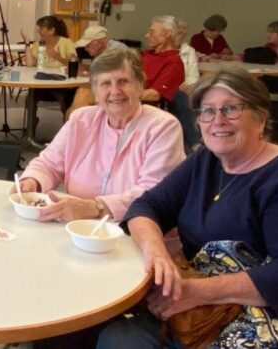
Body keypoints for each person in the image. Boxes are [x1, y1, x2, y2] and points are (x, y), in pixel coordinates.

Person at [97, 66, 278, 348]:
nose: (218, 121)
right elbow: (146, 207)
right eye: (207, 111)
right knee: (117, 337)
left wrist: (198, 292)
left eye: (231, 108)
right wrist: (156, 253)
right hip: (207, 308)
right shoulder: (205, 161)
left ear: (261, 118)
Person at [12, 45, 184, 224]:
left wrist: (95, 208)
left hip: (136, 229)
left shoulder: (163, 127)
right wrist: (32, 182)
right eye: (106, 83)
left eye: (123, 81)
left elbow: (153, 192)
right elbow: (49, 163)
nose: (115, 91)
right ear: (95, 93)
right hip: (79, 230)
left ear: (140, 86)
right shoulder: (81, 120)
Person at [64, 25, 128, 120]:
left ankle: (75, 129)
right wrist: (81, 68)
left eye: (87, 45)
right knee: (71, 108)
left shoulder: (117, 51)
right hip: (105, 87)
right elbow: (98, 70)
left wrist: (86, 74)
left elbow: (111, 76)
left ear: (99, 43)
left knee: (82, 94)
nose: (85, 48)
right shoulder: (101, 51)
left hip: (117, 91)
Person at [140, 16, 185, 104]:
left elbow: (155, 95)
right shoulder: (146, 54)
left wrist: (125, 96)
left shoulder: (174, 62)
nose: (147, 35)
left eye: (152, 32)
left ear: (167, 33)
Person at [174, 17, 201, 151]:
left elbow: (193, 75)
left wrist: (188, 86)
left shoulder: (189, 50)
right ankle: (194, 142)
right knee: (182, 99)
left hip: (185, 87)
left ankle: (196, 143)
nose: (181, 36)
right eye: (178, 32)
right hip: (167, 88)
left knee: (186, 98)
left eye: (183, 33)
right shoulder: (159, 50)